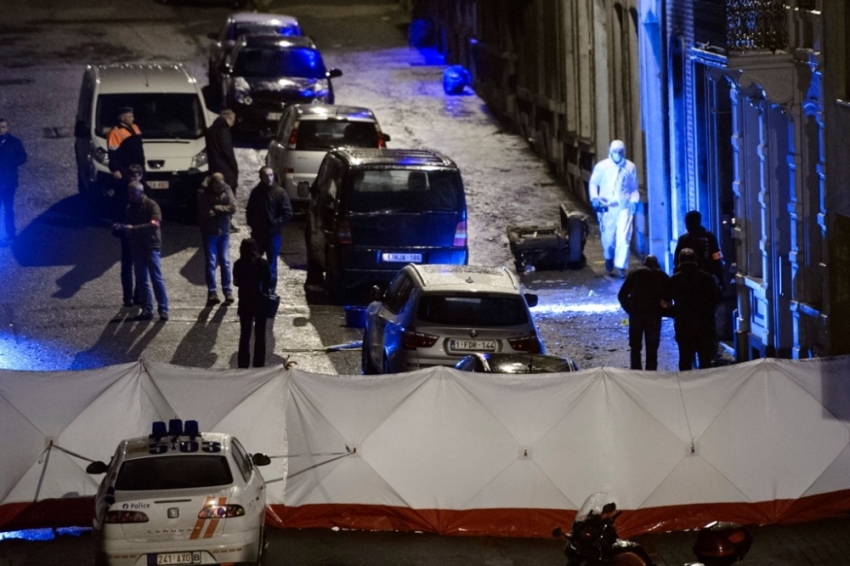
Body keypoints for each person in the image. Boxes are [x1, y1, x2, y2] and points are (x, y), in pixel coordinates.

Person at [113, 182, 169, 322]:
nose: (130, 195)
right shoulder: (130, 207)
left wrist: (134, 229)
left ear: (140, 192)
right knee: (142, 280)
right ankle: (147, 310)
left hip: (151, 246)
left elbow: (155, 224)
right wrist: (121, 228)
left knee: (156, 279)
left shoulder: (152, 205)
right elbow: (129, 226)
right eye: (130, 193)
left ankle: (163, 309)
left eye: (132, 193)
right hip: (138, 247)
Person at [588, 139, 640, 278]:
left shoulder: (630, 167)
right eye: (615, 151)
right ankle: (609, 257)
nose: (618, 154)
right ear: (610, 152)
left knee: (624, 237)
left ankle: (621, 267)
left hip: (624, 207)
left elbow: (634, 188)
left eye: (620, 151)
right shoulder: (602, 167)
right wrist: (595, 198)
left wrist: (634, 200)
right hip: (606, 206)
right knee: (608, 238)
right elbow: (593, 183)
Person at [664, 248, 722, 371]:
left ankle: (686, 382)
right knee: (705, 359)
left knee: (685, 358)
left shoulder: (674, 280)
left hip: (683, 324)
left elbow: (665, 301)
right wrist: (710, 312)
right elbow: (717, 298)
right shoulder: (706, 278)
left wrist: (674, 313)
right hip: (704, 324)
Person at [617, 255, 670, 371]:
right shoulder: (662, 276)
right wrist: (664, 311)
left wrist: (630, 310)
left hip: (636, 315)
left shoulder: (634, 274)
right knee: (652, 347)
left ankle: (636, 372)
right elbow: (669, 297)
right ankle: (651, 373)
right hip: (654, 315)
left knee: (635, 347)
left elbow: (621, 295)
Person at [245, 166, 293, 294]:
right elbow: (250, 210)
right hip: (259, 234)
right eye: (266, 176)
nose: (269, 178)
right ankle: (258, 290)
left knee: (272, 265)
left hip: (273, 234)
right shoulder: (256, 192)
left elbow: (288, 213)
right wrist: (253, 224)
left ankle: (270, 292)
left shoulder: (280, 192)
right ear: (261, 177)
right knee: (256, 263)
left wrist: (275, 223)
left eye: (271, 175)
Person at [198, 172, 236, 306]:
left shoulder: (227, 189)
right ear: (212, 184)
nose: (219, 190)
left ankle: (227, 291)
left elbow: (233, 207)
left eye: (220, 187)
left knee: (225, 261)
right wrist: (223, 210)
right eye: (216, 187)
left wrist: (217, 208)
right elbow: (205, 212)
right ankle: (212, 292)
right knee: (211, 262)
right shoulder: (204, 193)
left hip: (224, 231)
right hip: (210, 232)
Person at [112, 164, 147, 307]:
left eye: (136, 176)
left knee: (137, 265)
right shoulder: (122, 191)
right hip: (127, 233)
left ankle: (137, 295)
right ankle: (128, 297)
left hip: (139, 234)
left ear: (141, 176)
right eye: (132, 176)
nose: (134, 179)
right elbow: (115, 210)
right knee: (128, 265)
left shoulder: (144, 190)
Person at [233, 238, 271, 368]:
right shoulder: (263, 263)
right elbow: (268, 282)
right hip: (261, 302)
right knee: (260, 334)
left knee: (245, 334)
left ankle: (243, 364)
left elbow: (236, 282)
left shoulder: (238, 264)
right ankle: (258, 363)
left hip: (245, 302)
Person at [206, 109, 240, 233]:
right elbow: (228, 152)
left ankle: (217, 223)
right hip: (225, 170)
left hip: (214, 168)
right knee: (228, 196)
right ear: (229, 118)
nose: (233, 124)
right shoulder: (223, 131)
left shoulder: (211, 130)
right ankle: (226, 224)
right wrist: (234, 167)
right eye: (233, 121)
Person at [673, 210, 724, 287]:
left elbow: (676, 261)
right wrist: (721, 278)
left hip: (687, 280)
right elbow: (717, 258)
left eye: (687, 222)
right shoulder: (710, 237)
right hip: (707, 278)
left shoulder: (683, 240)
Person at [0, 118, 27, 244]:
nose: (1, 130)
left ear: (7, 128)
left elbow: (22, 157)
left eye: (3, 127)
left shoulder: (14, 142)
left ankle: (10, 233)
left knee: (8, 209)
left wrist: (11, 164)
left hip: (9, 182)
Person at [106, 107, 144, 195]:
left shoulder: (135, 127)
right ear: (122, 118)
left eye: (132, 116)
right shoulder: (115, 132)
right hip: (125, 168)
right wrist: (115, 169)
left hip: (138, 166)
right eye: (130, 117)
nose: (133, 119)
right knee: (126, 192)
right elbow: (112, 153)